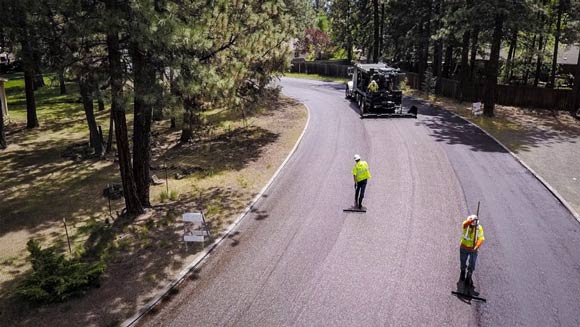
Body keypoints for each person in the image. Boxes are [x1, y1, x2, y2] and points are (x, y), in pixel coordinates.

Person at [459, 215, 485, 286]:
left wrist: (477, 246)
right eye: (471, 225)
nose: (472, 226)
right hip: (464, 247)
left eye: (473, 225)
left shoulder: (479, 228)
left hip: (473, 249)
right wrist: (471, 220)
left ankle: (469, 275)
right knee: (463, 261)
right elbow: (465, 224)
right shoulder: (466, 224)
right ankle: (463, 271)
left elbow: (481, 238)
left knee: (472, 263)